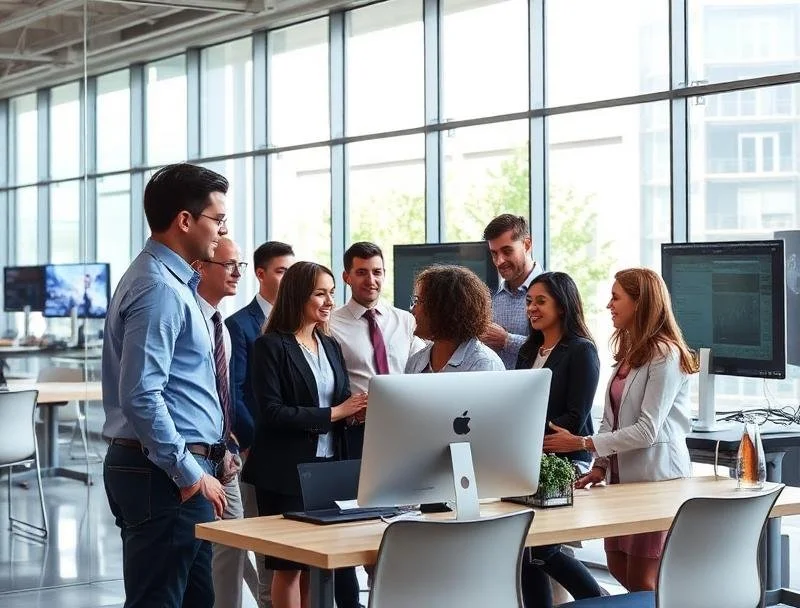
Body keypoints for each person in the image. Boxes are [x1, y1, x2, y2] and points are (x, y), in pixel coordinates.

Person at [102, 163, 230, 608]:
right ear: (185, 220)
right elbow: (140, 394)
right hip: (163, 475)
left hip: (171, 471)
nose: (221, 230)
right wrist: (190, 472)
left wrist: (214, 453)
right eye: (217, 219)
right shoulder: (159, 288)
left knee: (195, 599)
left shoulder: (173, 284)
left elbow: (182, 388)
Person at [543, 267, 697, 592]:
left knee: (643, 581)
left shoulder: (664, 355)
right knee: (617, 567)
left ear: (640, 303)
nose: (609, 305)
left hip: (656, 483)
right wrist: (599, 466)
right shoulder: (630, 354)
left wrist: (583, 443)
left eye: (616, 298)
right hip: (624, 483)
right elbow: (611, 418)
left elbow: (646, 431)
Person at [241, 261, 368, 608]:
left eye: (331, 293)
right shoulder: (270, 346)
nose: (330, 301)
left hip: (328, 471)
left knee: (315, 565)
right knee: (289, 567)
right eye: (320, 294)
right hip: (287, 473)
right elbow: (272, 413)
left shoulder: (329, 346)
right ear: (298, 295)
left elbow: (339, 400)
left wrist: (353, 414)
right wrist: (336, 412)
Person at [515, 272, 603, 607]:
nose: (532, 308)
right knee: (527, 549)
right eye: (529, 301)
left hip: (565, 458)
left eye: (541, 301)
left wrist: (527, 437)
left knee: (543, 549)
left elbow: (576, 416)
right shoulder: (528, 350)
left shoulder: (581, 351)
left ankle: (597, 599)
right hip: (528, 456)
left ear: (562, 306)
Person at [226, 241, 295, 608]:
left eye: (291, 271)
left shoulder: (300, 324)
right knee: (268, 553)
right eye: (281, 271)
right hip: (257, 449)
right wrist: (252, 440)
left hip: (294, 452)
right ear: (261, 274)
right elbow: (234, 392)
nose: (287, 279)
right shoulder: (240, 325)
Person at [195, 237, 253, 608]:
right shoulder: (190, 315)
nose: (236, 272)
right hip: (192, 459)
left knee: (233, 544)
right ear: (201, 267)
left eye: (239, 265)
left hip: (223, 455)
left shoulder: (220, 325)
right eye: (228, 264)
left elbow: (220, 395)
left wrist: (229, 445)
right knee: (200, 557)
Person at [330, 242, 423, 459]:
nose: (371, 281)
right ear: (346, 277)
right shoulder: (331, 324)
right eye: (361, 273)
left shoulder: (406, 320)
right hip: (358, 430)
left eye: (377, 272)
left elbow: (420, 370)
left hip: (405, 425)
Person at [405, 265, 504, 374]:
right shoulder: (415, 362)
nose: (412, 309)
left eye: (418, 301)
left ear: (443, 309)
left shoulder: (485, 365)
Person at [482, 214, 543, 369]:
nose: (499, 261)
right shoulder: (492, 297)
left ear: (527, 245)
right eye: (494, 253)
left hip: (537, 390)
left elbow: (561, 347)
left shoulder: (555, 291)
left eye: (507, 251)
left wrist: (507, 341)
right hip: (497, 389)